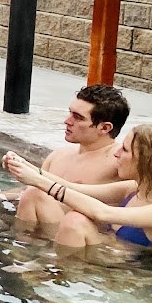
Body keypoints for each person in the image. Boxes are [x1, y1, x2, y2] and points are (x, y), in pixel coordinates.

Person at [2, 124, 152, 252]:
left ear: (146, 160)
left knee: (75, 221)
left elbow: (102, 213)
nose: (116, 153)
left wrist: (37, 179)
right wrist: (24, 166)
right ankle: (23, 252)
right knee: (35, 194)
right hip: (103, 252)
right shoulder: (133, 188)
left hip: (127, 273)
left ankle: (53, 272)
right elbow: (72, 188)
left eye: (125, 149)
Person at [14, 84, 128, 235]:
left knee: (34, 193)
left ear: (105, 128)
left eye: (78, 118)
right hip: (34, 228)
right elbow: (27, 190)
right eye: (70, 113)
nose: (67, 121)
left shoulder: (119, 161)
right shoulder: (59, 155)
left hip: (76, 238)